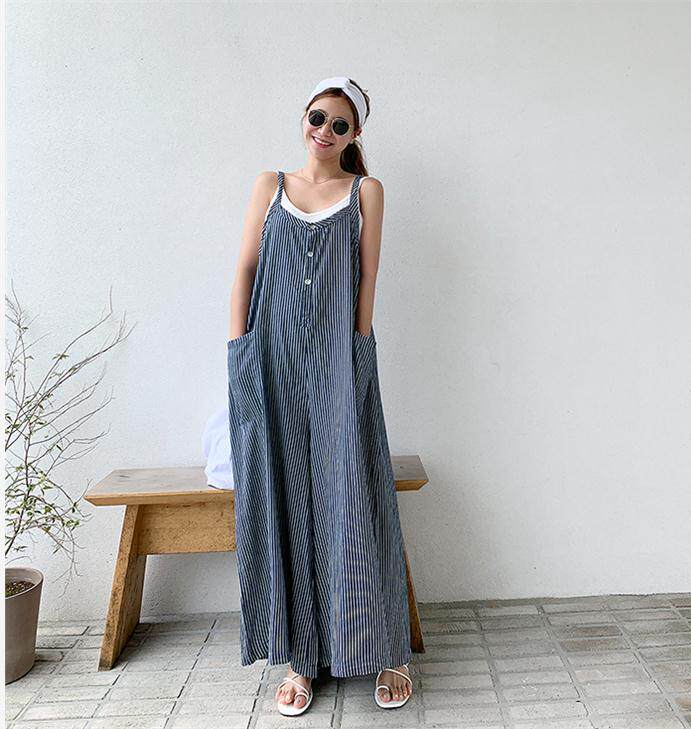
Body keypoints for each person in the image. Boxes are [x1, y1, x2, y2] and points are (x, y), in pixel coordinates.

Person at [227, 76, 413, 716]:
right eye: (317, 118)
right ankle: (300, 658)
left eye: (339, 124)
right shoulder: (269, 185)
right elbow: (245, 269)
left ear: (354, 134)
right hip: (271, 359)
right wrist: (239, 348)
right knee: (283, 494)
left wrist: (358, 354)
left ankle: (384, 648)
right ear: (303, 118)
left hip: (340, 360)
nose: (324, 132)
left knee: (355, 493)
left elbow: (367, 281)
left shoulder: (366, 192)